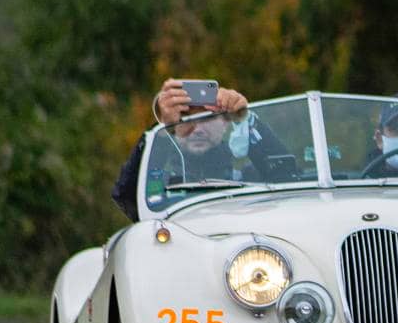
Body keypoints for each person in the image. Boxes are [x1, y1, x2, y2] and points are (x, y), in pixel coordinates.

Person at [111, 78, 289, 221]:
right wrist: (164, 131)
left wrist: (247, 121)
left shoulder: (248, 176)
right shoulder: (160, 181)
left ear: (225, 123)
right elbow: (127, 198)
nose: (197, 128)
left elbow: (287, 180)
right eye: (185, 116)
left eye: (208, 117)